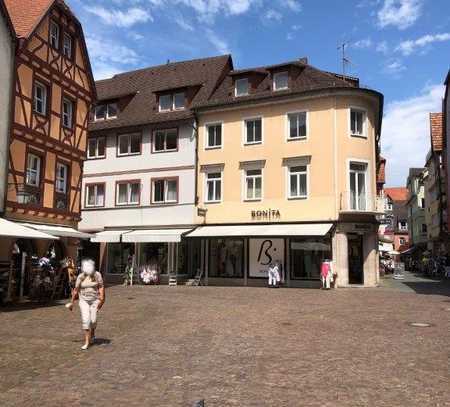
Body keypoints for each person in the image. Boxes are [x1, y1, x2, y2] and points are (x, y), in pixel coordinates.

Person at [67, 259, 105, 350]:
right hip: (83, 300)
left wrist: (102, 296)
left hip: (94, 300)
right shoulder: (81, 277)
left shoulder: (97, 275)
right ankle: (87, 342)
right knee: (86, 320)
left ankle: (92, 333)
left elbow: (101, 286)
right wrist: (72, 302)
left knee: (93, 320)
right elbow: (76, 290)